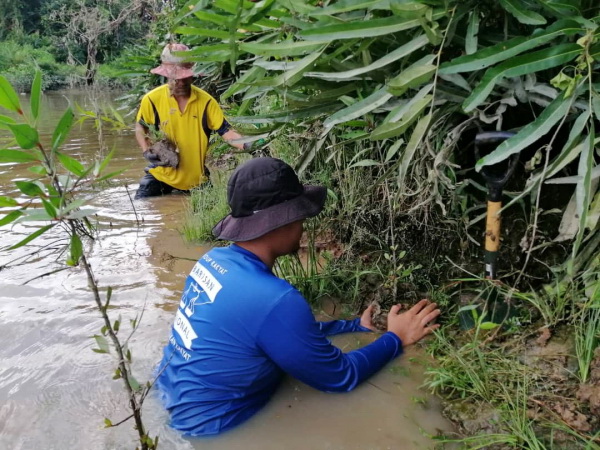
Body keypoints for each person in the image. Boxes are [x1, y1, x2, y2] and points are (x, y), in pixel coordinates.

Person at [155, 157, 441, 436]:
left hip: (165, 397)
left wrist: (353, 327)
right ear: (279, 221)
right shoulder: (275, 299)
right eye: (298, 215)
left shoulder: (212, 261)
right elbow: (340, 377)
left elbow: (268, 331)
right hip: (211, 426)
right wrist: (396, 338)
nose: (303, 225)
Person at [134, 43, 247, 199]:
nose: (181, 82)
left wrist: (247, 143)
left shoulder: (206, 102)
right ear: (167, 75)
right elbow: (140, 127)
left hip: (196, 181)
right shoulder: (152, 100)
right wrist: (146, 150)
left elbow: (226, 131)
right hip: (160, 176)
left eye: (185, 77)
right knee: (143, 206)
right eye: (176, 78)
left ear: (192, 74)